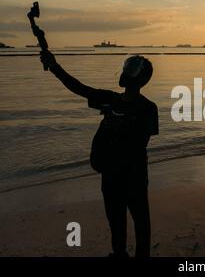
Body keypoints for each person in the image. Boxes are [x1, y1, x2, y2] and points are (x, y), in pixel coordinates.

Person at [40, 51, 159, 257]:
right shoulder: (111, 99)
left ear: (142, 78)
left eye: (132, 70)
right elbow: (79, 88)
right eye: (127, 68)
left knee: (141, 224)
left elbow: (140, 142)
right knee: (116, 222)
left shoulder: (148, 108)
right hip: (110, 175)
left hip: (135, 176)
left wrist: (120, 123)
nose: (126, 73)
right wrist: (54, 66)